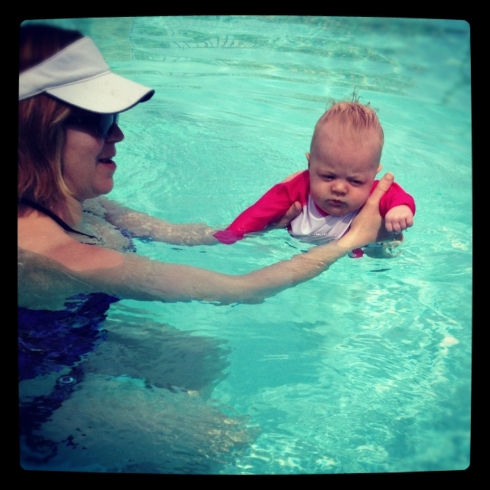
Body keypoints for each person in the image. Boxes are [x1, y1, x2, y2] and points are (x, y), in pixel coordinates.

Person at [18, 24, 396, 470]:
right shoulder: (53, 255)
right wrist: (353, 239)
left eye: (116, 119)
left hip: (75, 344)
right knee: (222, 438)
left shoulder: (89, 205)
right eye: (100, 121)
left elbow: (175, 233)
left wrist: (265, 227)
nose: (118, 135)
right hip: (42, 399)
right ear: (40, 129)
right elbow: (240, 290)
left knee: (201, 356)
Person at [214, 101, 415, 258]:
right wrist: (233, 234)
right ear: (310, 165)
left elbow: (398, 196)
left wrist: (401, 209)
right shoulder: (298, 188)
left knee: (384, 249)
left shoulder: (376, 194)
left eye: (355, 181)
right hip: (294, 250)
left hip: (354, 251)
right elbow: (259, 212)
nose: (339, 188)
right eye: (328, 176)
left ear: (374, 175)